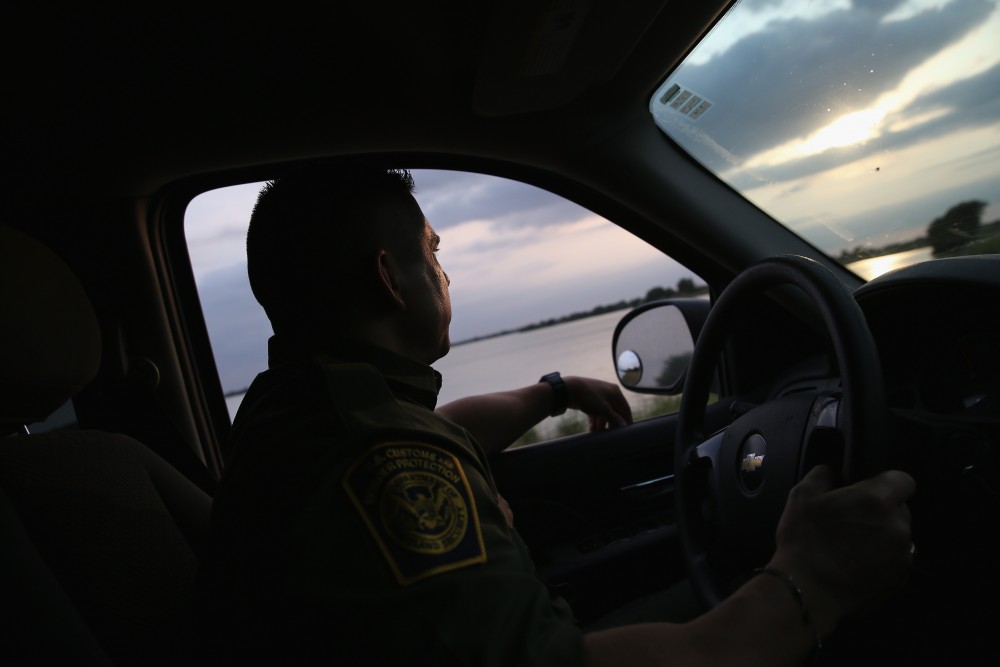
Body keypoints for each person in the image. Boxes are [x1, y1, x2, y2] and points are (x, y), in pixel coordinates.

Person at [196, 166, 915, 666]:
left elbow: (441, 432)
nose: (444, 275)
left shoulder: (301, 410)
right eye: (432, 255)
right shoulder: (375, 458)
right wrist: (813, 577)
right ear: (390, 278)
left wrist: (553, 389)